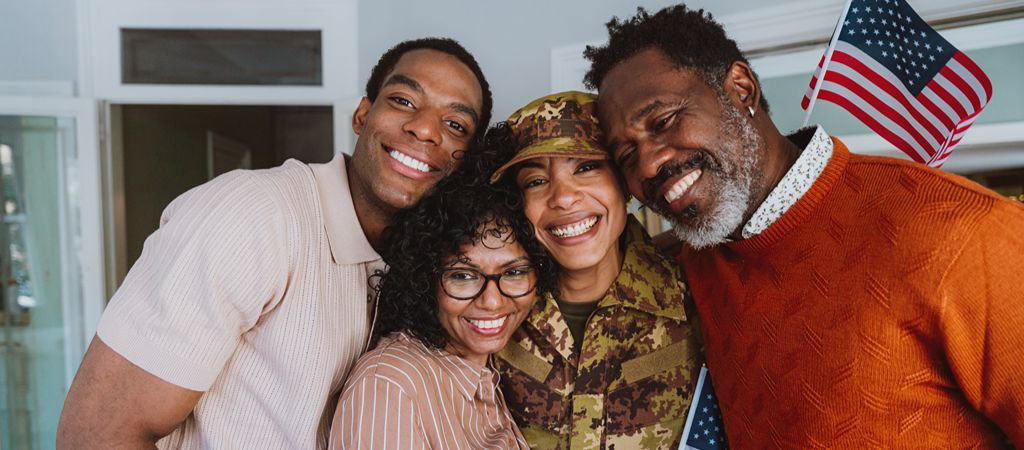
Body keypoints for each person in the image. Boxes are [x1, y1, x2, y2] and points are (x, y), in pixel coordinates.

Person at [586, 5, 1024, 447]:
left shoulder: (961, 231)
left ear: (741, 89)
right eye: (626, 156)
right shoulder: (682, 267)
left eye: (663, 121)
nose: (649, 164)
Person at [57, 37, 492, 449]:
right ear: (362, 115)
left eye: (455, 124)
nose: (426, 130)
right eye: (403, 100)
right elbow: (95, 434)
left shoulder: (428, 264)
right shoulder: (253, 214)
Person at [488, 91, 702, 449]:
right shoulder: (491, 310)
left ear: (625, 184)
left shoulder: (696, 293)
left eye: (586, 167)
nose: (564, 197)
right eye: (536, 181)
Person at [329, 147, 555, 449]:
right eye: (462, 276)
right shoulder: (391, 385)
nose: (492, 301)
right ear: (424, 278)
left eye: (514, 273)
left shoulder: (484, 374)